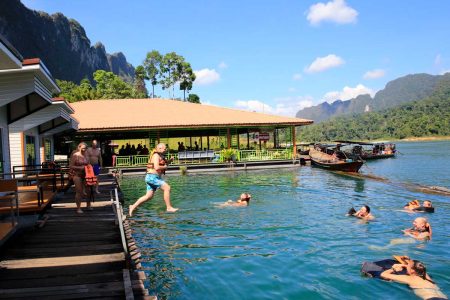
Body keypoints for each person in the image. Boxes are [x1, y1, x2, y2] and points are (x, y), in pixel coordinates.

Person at [129, 143, 178, 216]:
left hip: (153, 177)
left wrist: (170, 161)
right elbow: (157, 167)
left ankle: (133, 206)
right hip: (152, 177)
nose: (166, 150)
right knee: (167, 188)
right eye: (164, 149)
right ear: (159, 148)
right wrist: (165, 167)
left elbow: (164, 164)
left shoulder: (161, 156)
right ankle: (169, 207)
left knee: (148, 196)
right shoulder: (156, 155)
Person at [381, 257, 447, 300]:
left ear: (412, 270)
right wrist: (407, 264)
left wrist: (393, 268)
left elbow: (383, 274)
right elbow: (419, 268)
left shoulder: (409, 278)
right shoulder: (427, 278)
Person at [69, 142, 89, 214]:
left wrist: (89, 168)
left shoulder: (86, 155)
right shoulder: (75, 155)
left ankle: (88, 205)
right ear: (79, 147)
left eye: (85, 148)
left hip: (86, 175)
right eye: (83, 148)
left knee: (88, 191)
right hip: (77, 175)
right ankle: (78, 208)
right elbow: (71, 166)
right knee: (79, 191)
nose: (84, 150)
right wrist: (80, 167)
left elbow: (88, 164)